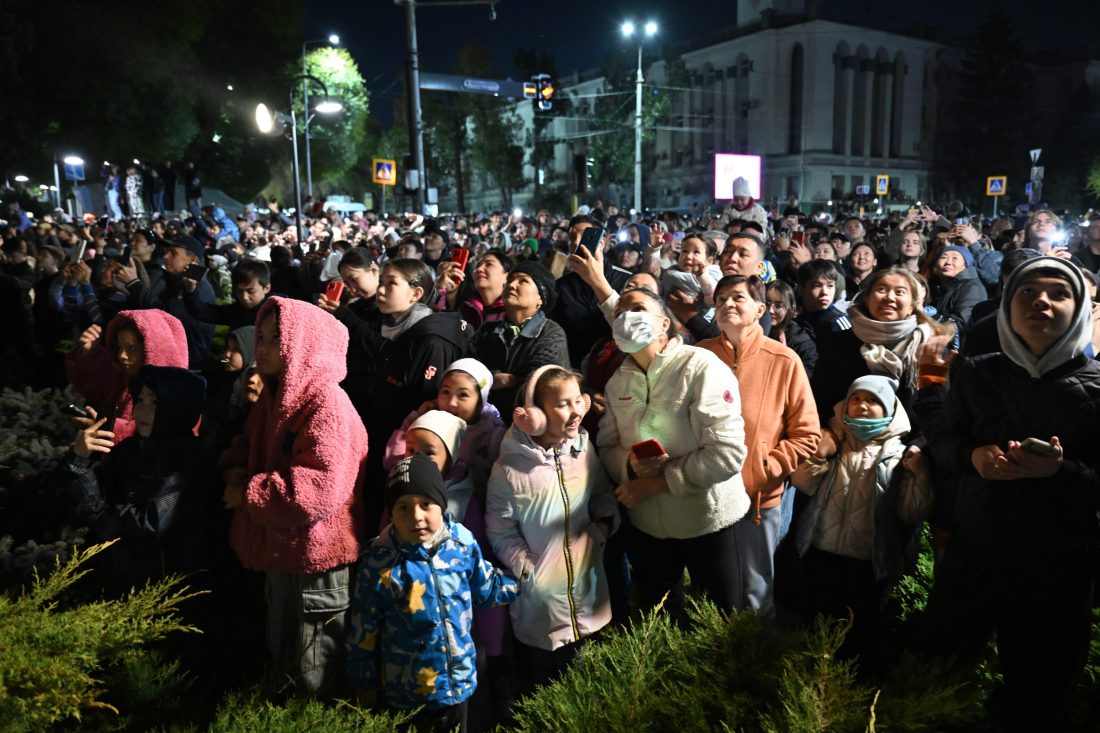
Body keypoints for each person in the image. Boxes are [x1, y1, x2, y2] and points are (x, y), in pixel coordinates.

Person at [920, 257, 1100, 731]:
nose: (1041, 301)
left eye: (1058, 293)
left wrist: (1062, 471)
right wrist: (974, 457)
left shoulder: (1097, 386)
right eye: (1027, 292)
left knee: (1039, 693)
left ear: (1080, 308)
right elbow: (945, 438)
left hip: (1058, 565)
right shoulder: (978, 373)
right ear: (1007, 307)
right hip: (975, 551)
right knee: (938, 679)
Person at [220, 296, 368, 697]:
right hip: (283, 553)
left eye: (276, 338)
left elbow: (318, 489)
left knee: (312, 675)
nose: (264, 347)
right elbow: (248, 442)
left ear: (304, 343)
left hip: (315, 566)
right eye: (261, 337)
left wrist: (247, 494)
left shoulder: (326, 404)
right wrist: (233, 466)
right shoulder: (275, 396)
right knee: (284, 665)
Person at [597, 286, 749, 615]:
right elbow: (607, 446)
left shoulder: (700, 367)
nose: (626, 318)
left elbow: (728, 453)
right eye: (619, 313)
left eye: (637, 309)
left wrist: (657, 483)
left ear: (664, 323)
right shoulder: (617, 382)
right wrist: (630, 465)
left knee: (720, 622)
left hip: (709, 523)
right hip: (650, 528)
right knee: (660, 621)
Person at [347, 454, 518, 732]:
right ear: (391, 513)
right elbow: (363, 629)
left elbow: (486, 588)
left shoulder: (461, 543)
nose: (416, 516)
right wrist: (363, 681)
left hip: (457, 685)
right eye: (403, 507)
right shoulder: (378, 562)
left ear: (441, 504)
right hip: (405, 695)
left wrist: (523, 582)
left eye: (425, 504)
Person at [487, 366, 618, 687]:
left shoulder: (583, 449)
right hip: (541, 615)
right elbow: (501, 531)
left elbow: (601, 494)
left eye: (577, 401)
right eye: (562, 404)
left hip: (591, 603)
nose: (576, 412)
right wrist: (530, 572)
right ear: (535, 414)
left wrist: (601, 530)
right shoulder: (508, 469)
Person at [698, 276, 819, 615]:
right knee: (710, 588)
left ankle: (754, 646)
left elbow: (807, 433)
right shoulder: (700, 355)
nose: (727, 303)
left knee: (754, 591)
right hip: (703, 494)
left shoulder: (783, 360)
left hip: (756, 498)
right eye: (721, 298)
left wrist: (767, 468)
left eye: (738, 297)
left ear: (760, 309)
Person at [791, 375, 932, 660]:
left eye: (872, 400)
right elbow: (804, 483)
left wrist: (920, 476)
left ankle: (856, 677)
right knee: (818, 622)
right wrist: (819, 453)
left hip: (867, 565)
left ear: (889, 409)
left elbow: (910, 512)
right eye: (855, 398)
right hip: (823, 553)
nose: (862, 405)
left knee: (860, 633)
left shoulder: (898, 457)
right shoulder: (835, 444)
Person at [56, 365, 210, 592]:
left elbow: (148, 527)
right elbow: (77, 495)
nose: (139, 412)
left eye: (154, 402)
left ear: (178, 408)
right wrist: (79, 457)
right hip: (115, 576)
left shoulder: (185, 462)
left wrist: (98, 508)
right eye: (140, 400)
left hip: (159, 589)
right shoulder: (132, 448)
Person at [366, 258, 469, 529]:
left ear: (416, 293)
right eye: (380, 282)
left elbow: (428, 407)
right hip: (384, 444)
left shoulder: (431, 341)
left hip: (406, 455)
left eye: (391, 284)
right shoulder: (397, 330)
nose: (380, 290)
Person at [811, 267, 953, 428]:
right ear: (867, 299)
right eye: (881, 290)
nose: (889, 297)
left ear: (912, 305)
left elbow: (937, 409)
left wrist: (918, 443)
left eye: (899, 292)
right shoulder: (838, 343)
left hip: (909, 440)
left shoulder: (928, 347)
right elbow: (819, 400)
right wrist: (829, 434)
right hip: (843, 435)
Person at [65, 309, 190, 442]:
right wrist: (88, 354)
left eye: (131, 347)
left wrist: (108, 428)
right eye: (119, 347)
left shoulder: (177, 397)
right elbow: (97, 386)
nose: (122, 355)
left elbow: (157, 439)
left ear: (156, 348)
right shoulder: (126, 379)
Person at [470, 261, 569, 419]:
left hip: (526, 425)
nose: (511, 285)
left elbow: (539, 384)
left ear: (540, 299)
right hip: (481, 422)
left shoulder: (551, 334)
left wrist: (496, 380)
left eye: (523, 281)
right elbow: (467, 373)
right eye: (510, 280)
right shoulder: (487, 330)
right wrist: (493, 379)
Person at [765, 280, 817, 376]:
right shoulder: (751, 332)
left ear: (792, 309)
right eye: (767, 304)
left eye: (778, 306)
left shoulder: (802, 344)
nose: (771, 310)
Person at [929, 245, 987, 330]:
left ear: (965, 265)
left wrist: (927, 319)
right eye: (944, 257)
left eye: (955, 258)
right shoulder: (935, 285)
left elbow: (963, 321)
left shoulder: (972, 287)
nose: (948, 262)